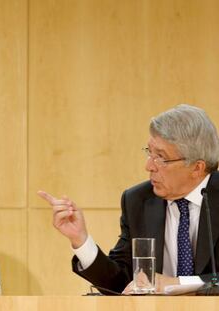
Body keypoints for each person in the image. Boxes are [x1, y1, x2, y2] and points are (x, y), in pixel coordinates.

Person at [38, 104, 219, 294]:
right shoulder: (138, 200)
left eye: (161, 157)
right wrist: (81, 240)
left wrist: (177, 283)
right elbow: (120, 282)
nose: (149, 165)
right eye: (149, 152)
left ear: (197, 168)